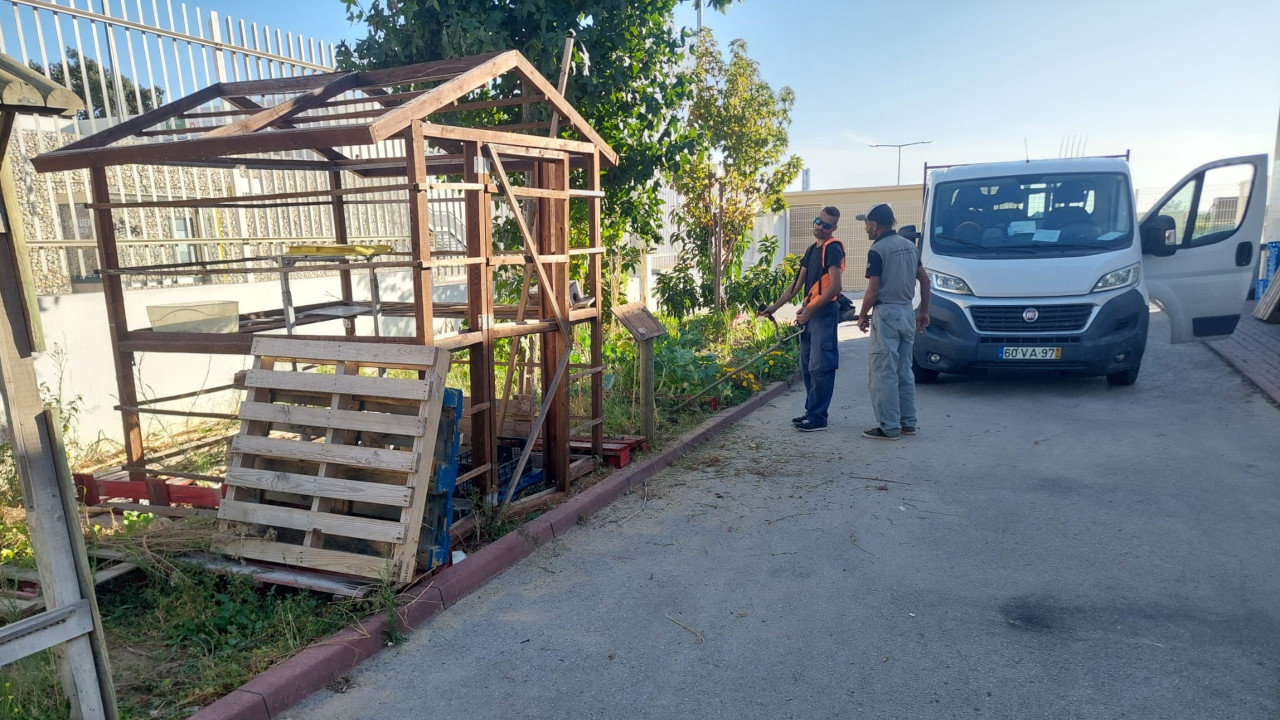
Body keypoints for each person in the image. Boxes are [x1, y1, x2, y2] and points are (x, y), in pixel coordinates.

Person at [759, 206, 845, 432]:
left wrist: (812, 308)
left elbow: (836, 285)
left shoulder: (833, 248)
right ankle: (811, 412)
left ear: (833, 227)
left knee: (820, 365)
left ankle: (818, 417)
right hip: (809, 312)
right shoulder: (811, 250)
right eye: (818, 221)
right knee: (807, 365)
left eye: (826, 224)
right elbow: (796, 286)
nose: (820, 226)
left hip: (823, 312)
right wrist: (773, 308)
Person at [855, 203, 930, 440]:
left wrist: (862, 314)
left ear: (875, 225)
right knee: (904, 371)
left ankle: (889, 426)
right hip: (907, 312)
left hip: (886, 313)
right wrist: (924, 312)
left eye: (867, 223)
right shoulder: (909, 246)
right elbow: (925, 281)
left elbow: (873, 290)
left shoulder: (878, 249)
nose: (866, 227)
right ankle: (908, 422)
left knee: (883, 371)